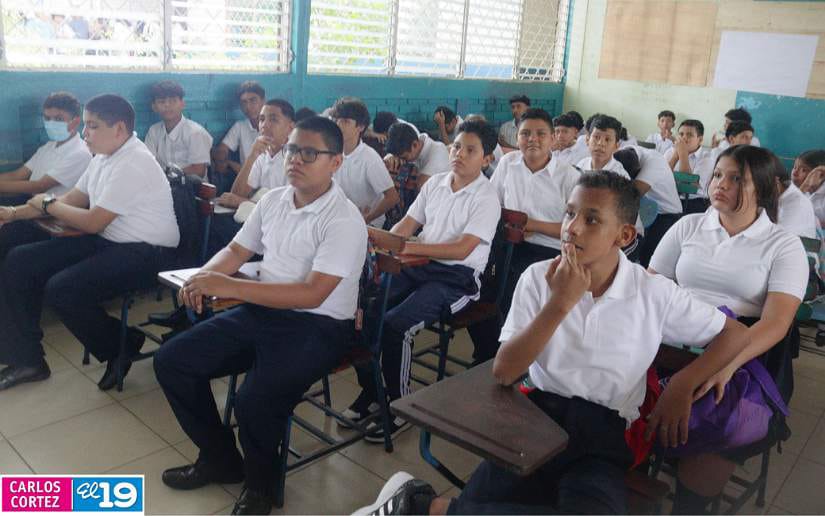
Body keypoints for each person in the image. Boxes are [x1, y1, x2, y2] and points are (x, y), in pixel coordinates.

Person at [355, 172, 750, 516]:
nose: (571, 228)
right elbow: (505, 371)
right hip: (533, 421)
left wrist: (681, 384)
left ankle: (425, 507)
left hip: (603, 436)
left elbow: (734, 333)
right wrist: (560, 303)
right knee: (499, 494)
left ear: (625, 235)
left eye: (591, 219)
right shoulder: (537, 278)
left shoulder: (652, 292)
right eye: (569, 213)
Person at [153, 116, 367, 516]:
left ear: (336, 162)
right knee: (173, 360)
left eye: (309, 153)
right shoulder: (273, 200)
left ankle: (260, 488)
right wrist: (202, 278)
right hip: (264, 310)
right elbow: (237, 251)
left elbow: (312, 293)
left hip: (319, 325)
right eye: (292, 150)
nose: (296, 160)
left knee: (254, 400)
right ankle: (220, 458)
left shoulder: (343, 219)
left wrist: (230, 287)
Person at [649, 145, 807, 513]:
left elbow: (776, 322)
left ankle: (688, 504)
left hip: (745, 352)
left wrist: (724, 365)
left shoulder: (783, 245)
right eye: (718, 174)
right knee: (616, 402)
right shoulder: (689, 225)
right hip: (674, 339)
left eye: (737, 179)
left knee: (715, 424)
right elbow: (652, 286)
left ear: (764, 189)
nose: (721, 184)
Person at [0, 94, 179, 392]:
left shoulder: (133, 162)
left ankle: (121, 343)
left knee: (62, 289)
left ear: (119, 129)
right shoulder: (104, 157)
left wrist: (48, 204)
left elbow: (92, 221)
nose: (85, 133)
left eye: (92, 126)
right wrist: (12, 213)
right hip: (111, 240)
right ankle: (27, 359)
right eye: (86, 125)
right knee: (21, 260)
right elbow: (71, 199)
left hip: (147, 253)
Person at [345, 121, 501, 442]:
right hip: (419, 266)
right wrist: (383, 242)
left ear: (486, 159)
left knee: (397, 325)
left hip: (458, 279)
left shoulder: (486, 197)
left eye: (470, 150)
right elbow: (406, 224)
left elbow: (462, 249)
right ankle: (373, 390)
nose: (459, 154)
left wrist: (410, 248)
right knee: (365, 309)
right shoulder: (436, 183)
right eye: (456, 147)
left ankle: (400, 406)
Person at [0, 92, 91, 204]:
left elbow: (40, 186)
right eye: (47, 118)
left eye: (58, 119)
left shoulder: (80, 153)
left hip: (52, 212)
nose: (51, 123)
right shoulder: (48, 147)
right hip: (33, 203)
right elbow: (17, 175)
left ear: (76, 122)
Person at [330, 97, 399, 228]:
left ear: (360, 127)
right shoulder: (331, 153)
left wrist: (366, 219)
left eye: (345, 121)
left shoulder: (369, 158)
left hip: (368, 224)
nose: (338, 125)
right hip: (341, 219)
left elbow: (392, 197)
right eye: (336, 120)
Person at [143, 80, 212, 177]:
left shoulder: (195, 132)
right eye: (161, 101)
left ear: (182, 104)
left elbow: (199, 170)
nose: (167, 105)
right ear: (154, 107)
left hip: (190, 185)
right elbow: (148, 163)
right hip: (161, 182)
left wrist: (167, 175)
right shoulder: (154, 131)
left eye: (172, 101)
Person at [212, 81, 266, 191]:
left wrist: (233, 165)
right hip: (247, 185)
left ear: (263, 101)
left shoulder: (273, 128)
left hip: (269, 184)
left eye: (253, 100)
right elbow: (222, 149)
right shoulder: (240, 126)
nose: (248, 107)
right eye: (244, 102)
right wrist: (222, 159)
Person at [664, 119, 713, 214]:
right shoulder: (670, 151)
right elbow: (661, 178)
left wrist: (683, 154)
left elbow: (687, 186)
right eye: (681, 134)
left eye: (689, 135)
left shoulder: (707, 159)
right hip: (670, 198)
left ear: (700, 140)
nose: (684, 138)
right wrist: (675, 157)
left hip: (693, 202)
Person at [383, 123, 450, 189]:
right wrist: (390, 159)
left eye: (404, 157)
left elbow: (421, 191)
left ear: (415, 145)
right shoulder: (417, 141)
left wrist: (393, 183)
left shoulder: (431, 167)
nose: (401, 160)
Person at [774, 154, 817, 239]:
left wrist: (806, 185)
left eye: (804, 170)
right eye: (794, 167)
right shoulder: (788, 189)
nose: (795, 173)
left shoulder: (798, 202)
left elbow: (778, 238)